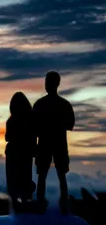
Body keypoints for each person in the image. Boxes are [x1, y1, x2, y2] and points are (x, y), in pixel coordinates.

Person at [33, 71, 75, 213]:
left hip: (47, 143)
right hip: (59, 143)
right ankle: (62, 201)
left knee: (45, 175)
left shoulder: (40, 104)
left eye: (47, 82)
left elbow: (34, 127)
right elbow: (70, 125)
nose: (46, 85)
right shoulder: (64, 104)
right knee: (58, 174)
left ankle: (43, 202)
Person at [5, 92, 36, 205]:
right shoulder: (31, 118)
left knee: (13, 177)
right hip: (25, 152)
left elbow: (7, 137)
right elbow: (33, 135)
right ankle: (25, 199)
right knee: (25, 176)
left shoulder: (11, 120)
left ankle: (15, 201)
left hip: (13, 152)